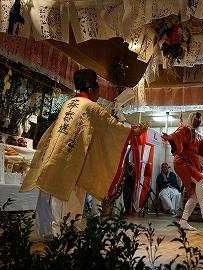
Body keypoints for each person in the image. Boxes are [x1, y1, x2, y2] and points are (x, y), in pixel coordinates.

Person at [20, 69, 146, 239]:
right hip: (72, 160)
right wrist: (133, 131)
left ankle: (63, 230)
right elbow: (111, 127)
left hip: (57, 157)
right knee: (69, 196)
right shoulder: (91, 107)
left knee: (61, 195)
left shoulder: (69, 104)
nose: (98, 96)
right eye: (98, 92)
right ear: (91, 88)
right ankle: (64, 232)